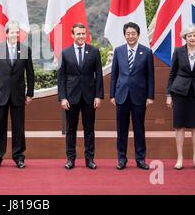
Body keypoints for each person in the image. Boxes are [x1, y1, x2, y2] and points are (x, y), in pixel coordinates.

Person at [0, 20, 35, 169]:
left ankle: (19, 157)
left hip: (18, 94)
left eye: (17, 32)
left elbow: (30, 73)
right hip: (0, 94)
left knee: (18, 127)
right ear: (6, 34)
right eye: (12, 32)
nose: (15, 34)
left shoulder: (25, 49)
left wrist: (30, 93)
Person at [57, 23, 104, 170]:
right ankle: (70, 159)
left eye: (83, 33)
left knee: (89, 129)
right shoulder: (65, 53)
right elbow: (61, 78)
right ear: (73, 35)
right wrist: (63, 98)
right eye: (78, 34)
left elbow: (99, 76)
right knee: (71, 129)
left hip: (90, 97)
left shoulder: (94, 51)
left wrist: (98, 96)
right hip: (71, 98)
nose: (81, 36)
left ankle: (89, 159)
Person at [110, 22, 154, 170]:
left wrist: (150, 96)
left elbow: (150, 76)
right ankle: (121, 159)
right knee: (121, 129)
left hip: (139, 96)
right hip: (121, 95)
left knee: (139, 128)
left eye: (133, 33)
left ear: (138, 35)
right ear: (125, 35)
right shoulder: (119, 51)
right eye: (128, 34)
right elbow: (114, 75)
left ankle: (140, 159)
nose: (130, 36)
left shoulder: (146, 52)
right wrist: (112, 95)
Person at [166, 23, 195, 170]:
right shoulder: (178, 51)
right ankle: (179, 158)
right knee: (179, 126)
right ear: (184, 37)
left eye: (194, 35)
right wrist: (169, 95)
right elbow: (172, 73)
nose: (192, 38)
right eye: (189, 35)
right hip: (179, 92)